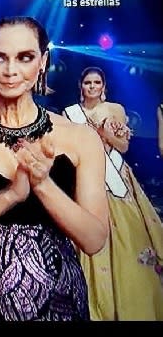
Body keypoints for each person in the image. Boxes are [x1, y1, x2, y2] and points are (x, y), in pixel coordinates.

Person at [0, 16, 109, 321]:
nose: (11, 71)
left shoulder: (80, 138)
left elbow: (94, 240)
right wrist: (12, 195)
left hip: (58, 300)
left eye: (25, 57)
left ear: (43, 61)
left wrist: (43, 185)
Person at [63, 66, 163, 320]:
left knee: (128, 240)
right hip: (87, 182)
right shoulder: (69, 114)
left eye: (97, 82)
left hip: (117, 180)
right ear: (81, 86)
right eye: (88, 82)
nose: (92, 87)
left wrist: (103, 134)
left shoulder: (115, 110)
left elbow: (123, 145)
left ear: (104, 87)